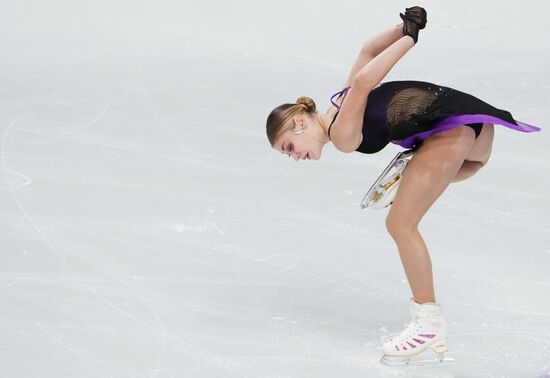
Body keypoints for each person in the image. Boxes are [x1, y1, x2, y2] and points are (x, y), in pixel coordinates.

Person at [265, 7, 541, 366]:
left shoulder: (343, 134)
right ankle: (413, 165)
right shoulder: (340, 103)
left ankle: (428, 325)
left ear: (299, 122)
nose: (293, 156)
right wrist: (405, 25)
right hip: (473, 131)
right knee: (465, 171)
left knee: (399, 224)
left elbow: (366, 79)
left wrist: (409, 38)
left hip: (451, 131)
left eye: (288, 146)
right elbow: (366, 51)